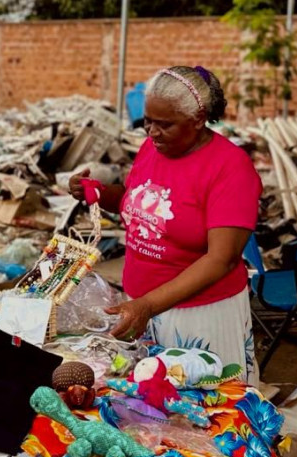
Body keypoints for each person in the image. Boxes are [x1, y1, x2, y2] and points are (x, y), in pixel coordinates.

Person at [69, 66, 262, 384]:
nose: (152, 132)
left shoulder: (230, 168)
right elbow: (137, 204)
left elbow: (221, 258)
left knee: (206, 411)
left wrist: (148, 304)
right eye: (147, 121)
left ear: (197, 120)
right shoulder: (153, 149)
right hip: (143, 309)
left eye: (165, 124)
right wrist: (98, 193)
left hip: (198, 317)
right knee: (154, 415)